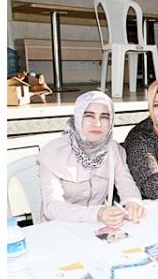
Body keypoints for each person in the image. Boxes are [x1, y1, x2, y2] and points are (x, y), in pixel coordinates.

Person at [37, 91, 146, 228]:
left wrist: (133, 201)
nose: (98, 124)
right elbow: (52, 207)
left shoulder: (113, 149)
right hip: (58, 228)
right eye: (89, 116)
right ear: (78, 118)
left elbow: (127, 185)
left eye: (104, 117)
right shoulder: (54, 152)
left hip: (94, 227)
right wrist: (97, 214)